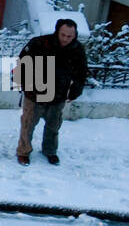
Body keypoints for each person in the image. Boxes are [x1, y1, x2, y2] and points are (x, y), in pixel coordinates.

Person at [13, 19, 87, 165]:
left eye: (69, 36)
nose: (65, 39)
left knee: (53, 127)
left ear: (75, 35)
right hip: (34, 93)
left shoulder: (77, 50)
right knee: (28, 124)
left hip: (58, 95)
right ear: (57, 31)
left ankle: (50, 151)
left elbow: (81, 73)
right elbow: (23, 62)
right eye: (63, 35)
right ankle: (23, 151)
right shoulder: (39, 43)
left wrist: (74, 92)